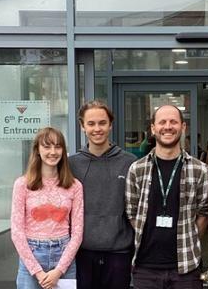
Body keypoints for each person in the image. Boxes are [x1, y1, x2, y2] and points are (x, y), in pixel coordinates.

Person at [125, 104, 208, 289]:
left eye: (173, 122)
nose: (168, 126)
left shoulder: (200, 170)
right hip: (145, 267)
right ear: (153, 128)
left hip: (186, 268)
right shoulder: (137, 169)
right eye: (162, 122)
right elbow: (132, 212)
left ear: (183, 127)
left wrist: (188, 237)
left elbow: (203, 213)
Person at [69, 101, 137, 289]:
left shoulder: (130, 162)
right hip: (81, 253)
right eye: (91, 124)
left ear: (110, 124)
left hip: (119, 254)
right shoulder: (71, 165)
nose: (97, 129)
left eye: (102, 123)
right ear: (83, 126)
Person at [11, 127, 83, 289]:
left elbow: (77, 232)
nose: (53, 152)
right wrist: (38, 272)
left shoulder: (75, 186)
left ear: (63, 151)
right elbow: (16, 232)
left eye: (58, 147)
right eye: (47, 146)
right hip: (32, 256)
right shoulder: (22, 184)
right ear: (37, 150)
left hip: (64, 257)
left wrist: (59, 270)